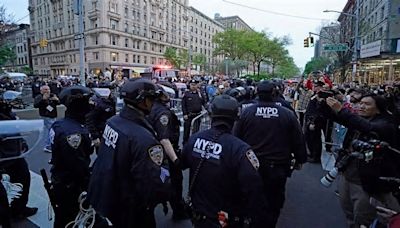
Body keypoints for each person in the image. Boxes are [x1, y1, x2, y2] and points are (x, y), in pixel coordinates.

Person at [87, 78, 171, 228]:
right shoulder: (143, 139)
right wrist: (166, 176)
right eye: (152, 99)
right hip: (131, 206)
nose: (154, 104)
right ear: (143, 101)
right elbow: (153, 180)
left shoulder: (113, 121)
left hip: (109, 194)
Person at [181, 94, 269, 228]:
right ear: (236, 118)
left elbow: (182, 163)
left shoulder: (194, 139)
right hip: (227, 219)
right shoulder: (240, 149)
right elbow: (253, 188)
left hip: (199, 215)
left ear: (210, 114)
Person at [234, 80, 307, 228]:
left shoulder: (247, 112)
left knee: (251, 196)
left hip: (251, 165)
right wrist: (300, 159)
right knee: (274, 200)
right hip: (277, 166)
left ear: (257, 93)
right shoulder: (286, 113)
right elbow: (298, 139)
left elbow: (236, 138)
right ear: (274, 93)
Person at [322, 94, 400, 227]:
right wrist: (322, 102)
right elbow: (335, 117)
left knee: (363, 218)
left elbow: (368, 127)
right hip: (347, 175)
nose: (361, 106)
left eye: (367, 104)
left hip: (365, 182)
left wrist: (342, 110)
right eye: (360, 103)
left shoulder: (386, 124)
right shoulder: (358, 119)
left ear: (378, 109)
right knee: (349, 214)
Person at [49, 86, 94, 228]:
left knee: (63, 217)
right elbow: (77, 166)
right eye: (87, 101)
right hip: (71, 186)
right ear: (78, 104)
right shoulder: (74, 133)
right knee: (70, 219)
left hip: (61, 179)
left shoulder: (60, 124)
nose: (90, 104)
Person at [147, 85, 187, 220]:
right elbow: (164, 139)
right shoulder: (163, 112)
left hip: (153, 152)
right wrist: (176, 160)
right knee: (175, 182)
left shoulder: (150, 107)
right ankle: (178, 211)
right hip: (166, 153)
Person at [0, 95, 38, 222]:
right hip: (4, 155)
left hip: (14, 153)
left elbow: (14, 128)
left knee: (23, 178)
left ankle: (19, 208)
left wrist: (22, 142)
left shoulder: (5, 109)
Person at [34, 85, 59, 153]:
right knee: (50, 131)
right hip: (45, 116)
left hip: (53, 115)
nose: (47, 91)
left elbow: (57, 103)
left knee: (50, 131)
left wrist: (56, 100)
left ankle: (50, 145)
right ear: (41, 91)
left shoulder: (52, 95)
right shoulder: (39, 96)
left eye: (48, 89)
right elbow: (35, 105)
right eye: (45, 89)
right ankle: (48, 145)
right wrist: (43, 100)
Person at [182, 79, 205, 145]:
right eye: (192, 85)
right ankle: (185, 144)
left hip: (197, 115)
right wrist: (184, 114)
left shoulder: (199, 93)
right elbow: (183, 105)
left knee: (196, 132)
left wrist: (200, 94)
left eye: (195, 85)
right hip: (189, 115)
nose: (193, 86)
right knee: (186, 131)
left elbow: (204, 102)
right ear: (190, 85)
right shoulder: (186, 94)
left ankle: (193, 144)